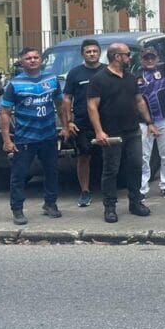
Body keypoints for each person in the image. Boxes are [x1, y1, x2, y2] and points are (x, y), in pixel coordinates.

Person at [0, 47, 69, 225]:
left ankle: (50, 204)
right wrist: (7, 139)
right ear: (22, 62)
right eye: (28, 58)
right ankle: (17, 209)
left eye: (36, 57)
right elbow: (5, 113)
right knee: (19, 175)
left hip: (48, 136)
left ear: (41, 60)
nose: (32, 60)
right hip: (25, 138)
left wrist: (65, 126)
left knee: (52, 172)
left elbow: (60, 105)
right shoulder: (14, 84)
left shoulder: (52, 79)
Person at [87, 43, 154, 223]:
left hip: (133, 130)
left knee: (135, 166)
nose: (130, 57)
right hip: (111, 133)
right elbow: (92, 106)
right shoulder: (99, 79)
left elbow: (139, 101)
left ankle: (135, 202)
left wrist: (149, 122)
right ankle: (110, 207)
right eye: (127, 54)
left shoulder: (130, 77)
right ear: (117, 57)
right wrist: (99, 131)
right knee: (111, 170)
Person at [63, 39, 106, 207]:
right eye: (88, 52)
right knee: (84, 156)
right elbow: (67, 99)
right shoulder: (75, 73)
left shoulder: (107, 71)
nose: (92, 54)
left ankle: (108, 190)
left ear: (99, 52)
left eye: (95, 51)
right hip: (82, 123)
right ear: (83, 54)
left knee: (110, 157)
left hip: (106, 122)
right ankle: (85, 192)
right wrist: (68, 122)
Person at [136, 48, 165, 201]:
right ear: (142, 59)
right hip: (144, 122)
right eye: (147, 58)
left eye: (152, 57)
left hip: (164, 118)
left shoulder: (164, 69)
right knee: (144, 157)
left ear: (157, 58)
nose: (150, 60)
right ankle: (142, 188)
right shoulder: (136, 76)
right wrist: (147, 121)